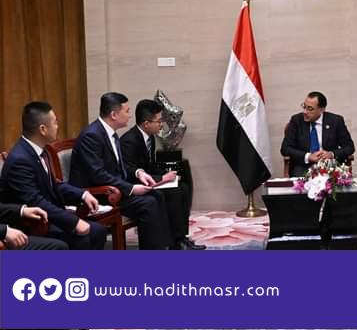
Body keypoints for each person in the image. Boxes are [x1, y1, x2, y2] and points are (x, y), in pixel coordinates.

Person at [70, 92, 172, 250]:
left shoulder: (110, 133)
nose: (130, 115)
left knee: (157, 195)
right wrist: (130, 188)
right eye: (127, 111)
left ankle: (165, 247)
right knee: (148, 203)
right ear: (114, 115)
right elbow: (97, 174)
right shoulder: (92, 136)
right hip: (99, 195)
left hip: (115, 188)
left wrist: (139, 173)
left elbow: (119, 166)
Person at [0, 102, 107, 249]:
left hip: (48, 215)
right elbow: (35, 200)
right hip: (34, 224)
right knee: (86, 234)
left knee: (97, 231)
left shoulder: (39, 151)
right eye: (55, 122)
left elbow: (52, 184)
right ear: (43, 129)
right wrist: (74, 222)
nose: (57, 127)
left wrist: (82, 194)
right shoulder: (20, 159)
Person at [120, 99, 204, 250]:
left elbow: (150, 165)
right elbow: (129, 172)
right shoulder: (129, 141)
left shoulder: (150, 137)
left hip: (149, 180)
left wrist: (167, 175)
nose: (161, 125)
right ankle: (174, 242)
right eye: (159, 121)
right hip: (135, 186)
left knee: (183, 187)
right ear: (146, 123)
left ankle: (180, 238)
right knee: (174, 192)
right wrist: (161, 179)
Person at [280, 91, 355, 177]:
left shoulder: (336, 121)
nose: (305, 112)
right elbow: (285, 148)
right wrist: (308, 156)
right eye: (304, 107)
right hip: (303, 167)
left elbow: (349, 147)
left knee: (335, 180)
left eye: (310, 109)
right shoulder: (296, 121)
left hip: (330, 166)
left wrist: (331, 154)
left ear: (321, 109)